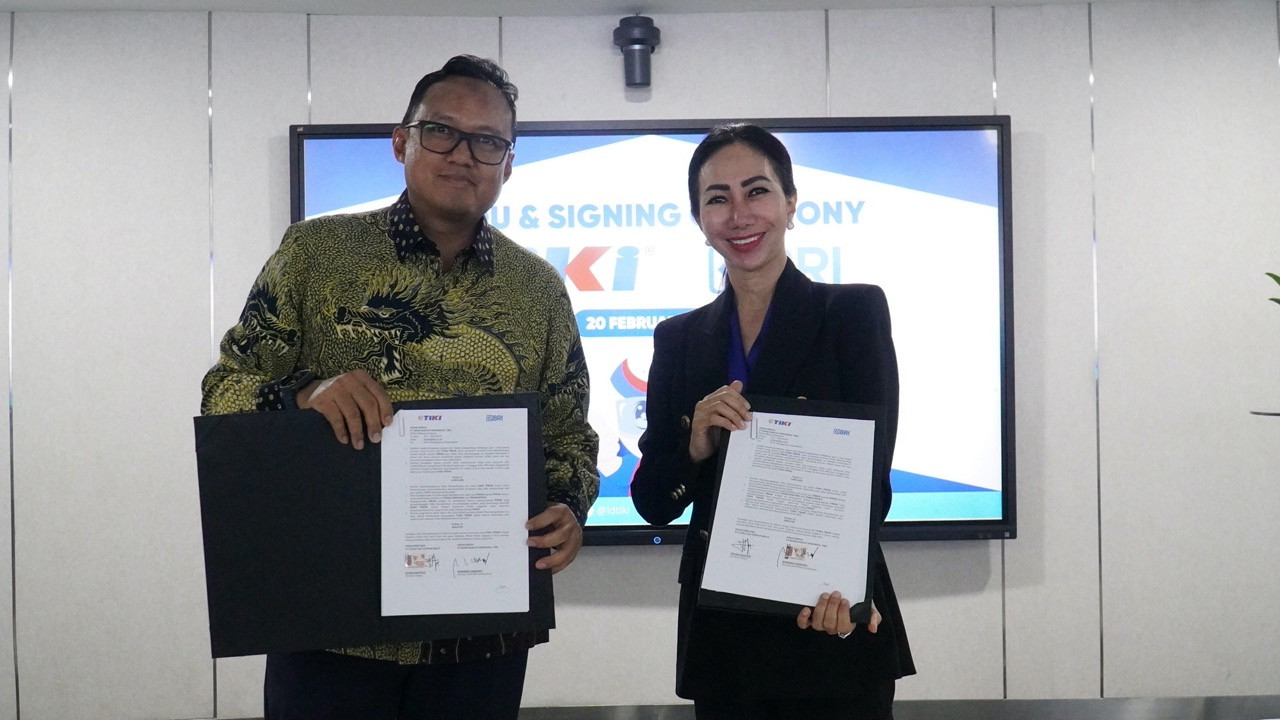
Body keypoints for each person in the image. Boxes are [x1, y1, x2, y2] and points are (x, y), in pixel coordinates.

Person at [201, 55, 599, 720]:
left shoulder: (538, 291)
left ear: (508, 164)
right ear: (400, 141)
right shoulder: (314, 254)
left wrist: (568, 507)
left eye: (488, 141)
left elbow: (567, 434)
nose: (463, 154)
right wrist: (304, 394)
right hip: (331, 617)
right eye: (441, 131)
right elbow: (225, 391)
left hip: (481, 628)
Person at [630, 123, 914, 720]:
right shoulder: (678, 339)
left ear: (790, 203)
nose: (739, 214)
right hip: (725, 639)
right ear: (698, 219)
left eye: (756, 191)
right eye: (717, 199)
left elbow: (873, 482)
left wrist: (843, 584)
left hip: (830, 618)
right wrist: (695, 445)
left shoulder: (852, 313)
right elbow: (653, 501)